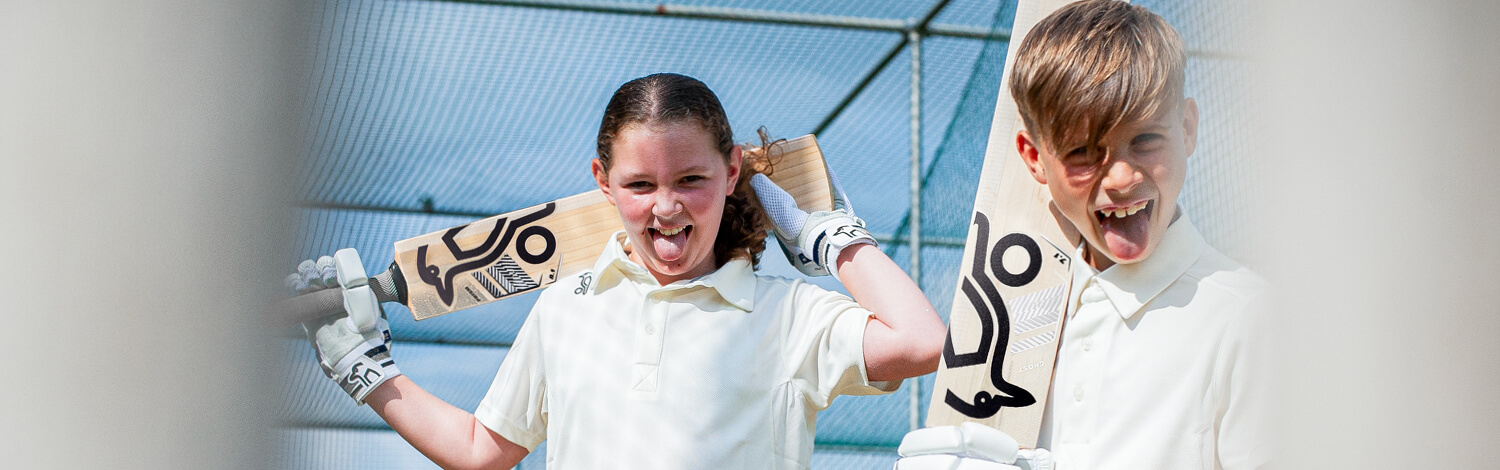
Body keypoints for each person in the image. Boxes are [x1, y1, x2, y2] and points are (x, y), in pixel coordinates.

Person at [291, 73, 947, 469]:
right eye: (640, 184)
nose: (665, 206)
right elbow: (479, 451)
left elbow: (923, 342)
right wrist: (366, 370)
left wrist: (829, 238)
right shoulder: (567, 309)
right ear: (602, 182)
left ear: (733, 173)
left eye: (692, 179)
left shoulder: (791, 317)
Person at [896, 1, 1270, 469]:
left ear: (1188, 128)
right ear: (1033, 158)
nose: (1121, 177)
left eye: (1146, 139)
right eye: (1082, 153)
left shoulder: (1250, 319)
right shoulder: (1006, 314)